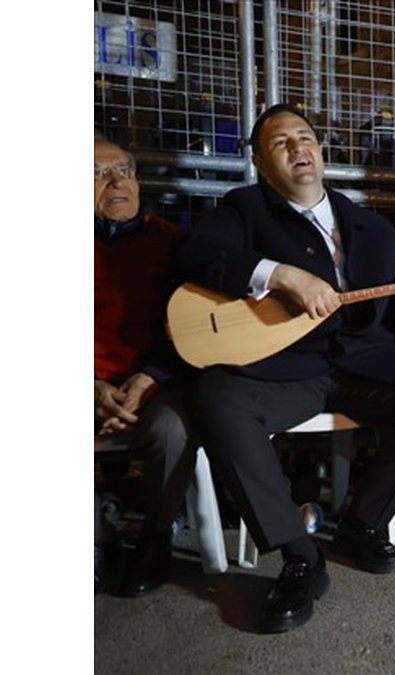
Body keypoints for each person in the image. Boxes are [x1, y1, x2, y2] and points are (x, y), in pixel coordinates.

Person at [174, 104, 395, 633]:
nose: (297, 149)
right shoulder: (243, 209)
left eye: (304, 138)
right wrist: (279, 274)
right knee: (218, 396)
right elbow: (193, 253)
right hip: (287, 368)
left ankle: (363, 522)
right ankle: (298, 552)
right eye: (281, 143)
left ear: (321, 150)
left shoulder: (371, 225)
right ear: (262, 163)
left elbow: (393, 315)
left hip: (362, 363)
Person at [94, 136, 193, 597]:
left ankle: (155, 538)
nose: (116, 183)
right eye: (98, 174)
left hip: (155, 379)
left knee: (171, 427)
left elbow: (193, 327)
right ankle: (94, 539)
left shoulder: (173, 243)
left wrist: (149, 377)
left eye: (125, 171)